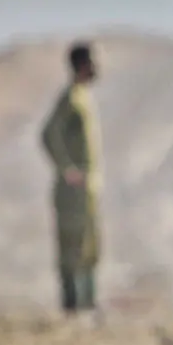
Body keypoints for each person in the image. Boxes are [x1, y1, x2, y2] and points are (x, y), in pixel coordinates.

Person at [40, 41, 102, 314]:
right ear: (82, 65)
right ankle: (72, 305)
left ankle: (88, 303)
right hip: (72, 191)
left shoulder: (83, 96)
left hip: (87, 188)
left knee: (90, 245)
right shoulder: (70, 98)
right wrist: (67, 168)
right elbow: (48, 133)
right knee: (72, 247)